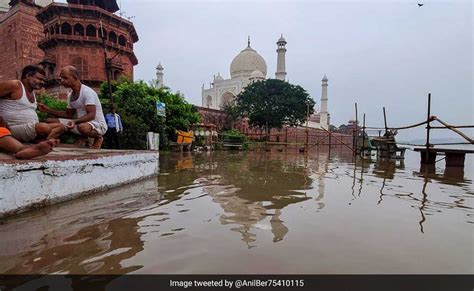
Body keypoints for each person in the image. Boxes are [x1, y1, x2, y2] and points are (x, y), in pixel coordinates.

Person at [38, 66, 108, 149]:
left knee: (83, 127)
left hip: (97, 125)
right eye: (61, 78)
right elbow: (68, 115)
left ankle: (97, 137)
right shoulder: (70, 95)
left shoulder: (87, 92)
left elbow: (91, 115)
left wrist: (74, 121)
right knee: (49, 121)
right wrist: (47, 110)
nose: (62, 81)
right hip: (79, 123)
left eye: (65, 78)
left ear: (75, 78)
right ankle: (48, 142)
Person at [0, 65, 64, 142]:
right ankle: (42, 141)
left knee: (60, 127)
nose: (42, 82)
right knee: (44, 128)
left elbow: (20, 105)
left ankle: (39, 141)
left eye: (43, 80)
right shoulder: (15, 85)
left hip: (31, 128)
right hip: (12, 128)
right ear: (28, 76)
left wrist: (39, 107)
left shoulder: (32, 92)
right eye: (39, 79)